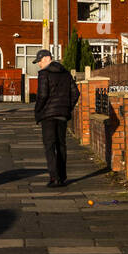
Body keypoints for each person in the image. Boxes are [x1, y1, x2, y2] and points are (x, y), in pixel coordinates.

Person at [33, 49, 79, 187]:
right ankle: (62, 176)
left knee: (50, 146)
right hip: (62, 116)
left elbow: (42, 95)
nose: (39, 64)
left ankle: (54, 178)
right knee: (61, 146)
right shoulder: (66, 74)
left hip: (48, 116)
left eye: (40, 61)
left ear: (47, 59)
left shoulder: (44, 74)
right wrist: (67, 108)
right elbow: (76, 93)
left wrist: (38, 110)